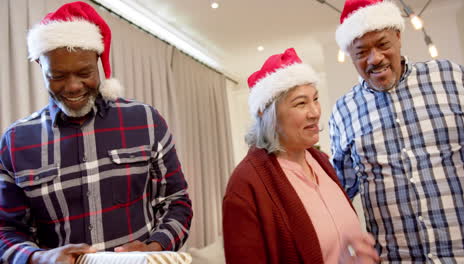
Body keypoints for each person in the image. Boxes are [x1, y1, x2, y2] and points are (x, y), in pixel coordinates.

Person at [0, 2, 192, 264]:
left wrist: (155, 246)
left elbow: (176, 201)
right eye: (57, 75)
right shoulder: (15, 142)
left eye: (84, 73)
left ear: (99, 63)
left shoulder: (146, 120)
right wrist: (38, 258)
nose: (73, 86)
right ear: (39, 67)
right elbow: (5, 230)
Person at [330, 0, 464, 262]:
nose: (375, 59)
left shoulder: (452, 77)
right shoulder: (342, 112)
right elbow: (339, 195)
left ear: (398, 36)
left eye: (383, 45)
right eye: (361, 52)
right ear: (350, 54)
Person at [222, 48, 379, 264]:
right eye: (301, 103)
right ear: (266, 113)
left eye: (315, 99)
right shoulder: (246, 184)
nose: (315, 112)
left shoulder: (321, 162)